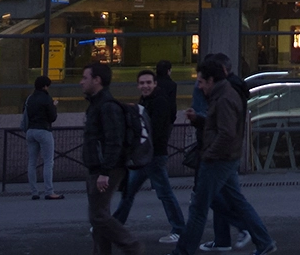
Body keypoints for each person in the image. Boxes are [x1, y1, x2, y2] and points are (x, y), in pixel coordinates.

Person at [172, 57, 274, 255]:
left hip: (219, 158)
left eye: (201, 82)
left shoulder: (225, 97)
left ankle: (183, 251)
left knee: (199, 208)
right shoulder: (225, 94)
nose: (199, 87)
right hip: (225, 157)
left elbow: (226, 133)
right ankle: (263, 240)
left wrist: (209, 154)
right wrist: (199, 121)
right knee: (234, 201)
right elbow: (221, 128)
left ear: (211, 80)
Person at [79, 62, 142, 255]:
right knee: (99, 216)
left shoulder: (107, 106)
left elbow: (114, 140)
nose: (81, 82)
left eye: (85, 78)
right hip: (98, 167)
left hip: (105, 168)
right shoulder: (97, 104)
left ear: (97, 80)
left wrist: (105, 171)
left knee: (98, 216)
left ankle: (131, 245)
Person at [115, 70, 185, 241]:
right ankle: (114, 225)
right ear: (138, 85)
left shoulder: (158, 102)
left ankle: (179, 229)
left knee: (161, 193)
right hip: (149, 154)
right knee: (131, 192)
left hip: (153, 155)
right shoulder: (149, 100)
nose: (145, 86)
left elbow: (157, 129)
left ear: (155, 84)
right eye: (142, 83)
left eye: (148, 82)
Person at [22, 75, 62, 201]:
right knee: (48, 162)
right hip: (43, 131)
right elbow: (52, 117)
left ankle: (34, 192)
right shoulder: (46, 98)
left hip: (30, 131)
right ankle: (49, 191)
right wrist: (54, 106)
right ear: (45, 86)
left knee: (32, 162)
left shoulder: (30, 98)